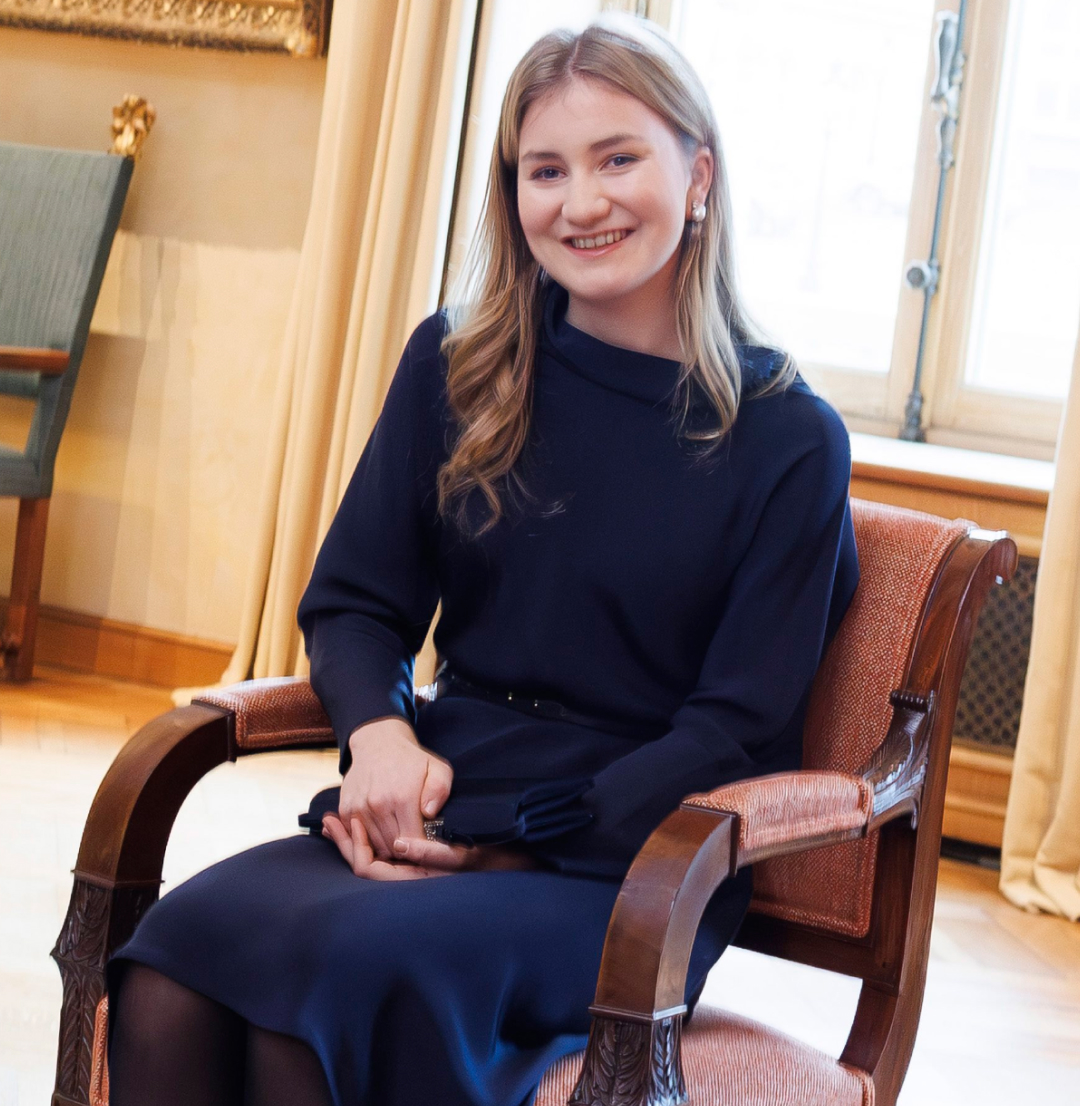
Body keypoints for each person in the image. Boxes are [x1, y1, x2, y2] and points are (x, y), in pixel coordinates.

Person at [105, 14, 859, 1106]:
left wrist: (511, 837)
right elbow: (358, 600)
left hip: (631, 852)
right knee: (174, 961)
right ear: (513, 195)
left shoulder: (788, 435)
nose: (580, 202)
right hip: (435, 796)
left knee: (324, 1007)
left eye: (617, 159)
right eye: (543, 169)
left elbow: (736, 725)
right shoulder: (458, 366)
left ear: (699, 177)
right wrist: (378, 740)